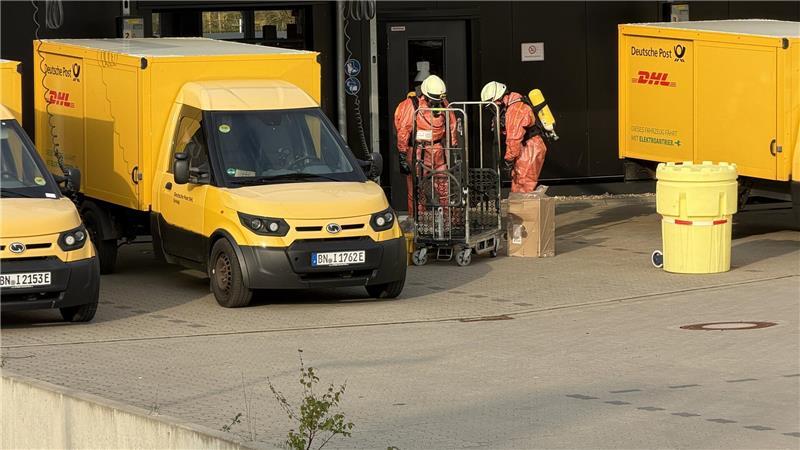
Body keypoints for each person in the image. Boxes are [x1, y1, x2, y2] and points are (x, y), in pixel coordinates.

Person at [393, 75, 459, 214]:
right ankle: (418, 222)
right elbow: (404, 130)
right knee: (417, 190)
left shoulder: (443, 103)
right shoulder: (411, 104)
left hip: (438, 150)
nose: (437, 103)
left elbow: (452, 123)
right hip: (418, 151)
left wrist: (454, 146)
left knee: (444, 187)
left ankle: (448, 222)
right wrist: (402, 154)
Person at [481, 81, 547, 193]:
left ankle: (525, 210)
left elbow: (514, 139)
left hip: (530, 147)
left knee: (524, 183)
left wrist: (508, 160)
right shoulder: (512, 106)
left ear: (498, 100)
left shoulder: (515, 110)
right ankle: (519, 209)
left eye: (492, 105)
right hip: (526, 147)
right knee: (519, 182)